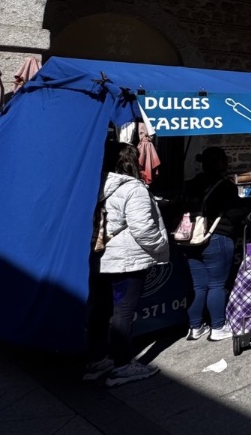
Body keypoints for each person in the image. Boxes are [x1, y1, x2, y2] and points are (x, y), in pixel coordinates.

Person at [84, 142, 170, 386]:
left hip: (99, 256)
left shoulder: (91, 184)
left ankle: (97, 359)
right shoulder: (133, 188)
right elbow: (143, 228)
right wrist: (160, 246)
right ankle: (122, 365)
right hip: (127, 261)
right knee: (123, 312)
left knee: (99, 311)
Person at [182, 147, 251, 343]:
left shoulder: (191, 184)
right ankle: (217, 327)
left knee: (198, 286)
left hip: (191, 239)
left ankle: (195, 327)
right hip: (217, 237)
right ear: (221, 163)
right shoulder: (224, 186)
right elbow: (236, 213)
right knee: (217, 285)